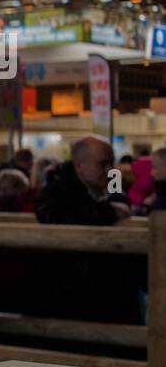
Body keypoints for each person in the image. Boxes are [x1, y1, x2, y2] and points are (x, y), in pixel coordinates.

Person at [33, 135, 142, 324]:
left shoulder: (110, 180)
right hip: (77, 291)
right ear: (79, 166)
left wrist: (115, 206)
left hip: (113, 290)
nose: (110, 170)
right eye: (102, 164)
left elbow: (120, 202)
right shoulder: (57, 189)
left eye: (111, 163)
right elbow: (57, 217)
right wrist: (109, 211)